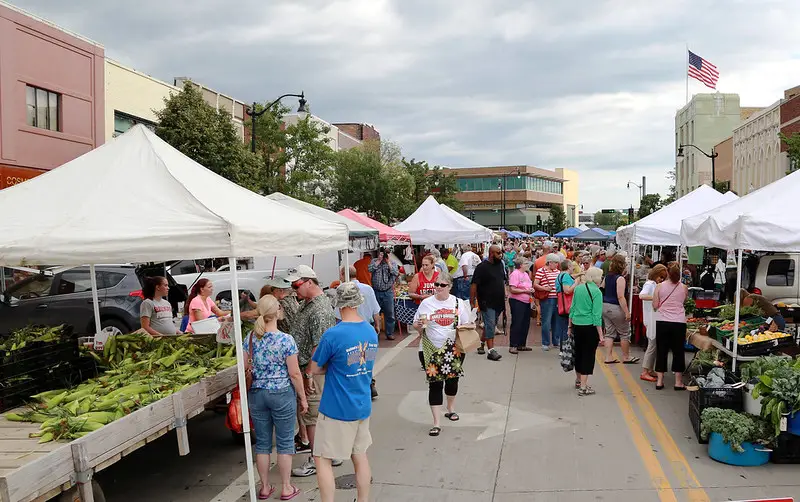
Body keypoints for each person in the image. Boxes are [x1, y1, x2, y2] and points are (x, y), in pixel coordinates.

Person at [308, 283, 378, 502]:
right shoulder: (369, 330)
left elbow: (315, 367)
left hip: (337, 406)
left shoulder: (334, 334)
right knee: (360, 455)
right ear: (358, 302)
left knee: (322, 458)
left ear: (338, 304)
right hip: (361, 403)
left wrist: (331, 367)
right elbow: (361, 360)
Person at [244, 295, 308, 501]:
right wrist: (303, 397)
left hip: (257, 392)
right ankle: (287, 487)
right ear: (278, 312)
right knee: (285, 441)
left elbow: (245, 367)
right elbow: (295, 373)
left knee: (262, 443)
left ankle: (264, 487)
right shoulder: (286, 340)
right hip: (281, 393)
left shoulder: (251, 338)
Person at [284, 265, 342, 477]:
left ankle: (317, 459)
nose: (293, 289)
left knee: (312, 415)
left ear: (309, 282)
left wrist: (308, 374)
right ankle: (327, 453)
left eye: (296, 284)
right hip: (311, 368)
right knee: (317, 414)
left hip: (313, 370)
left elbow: (319, 346)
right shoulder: (309, 303)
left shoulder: (318, 308)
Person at [412, 271, 471, 436]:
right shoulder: (426, 303)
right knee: (435, 384)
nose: (438, 288)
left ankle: (450, 408)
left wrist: (463, 327)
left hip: (454, 349)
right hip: (430, 348)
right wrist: (419, 325)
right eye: (436, 284)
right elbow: (417, 326)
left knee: (452, 381)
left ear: (450, 287)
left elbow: (468, 324)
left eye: (442, 285)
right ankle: (436, 422)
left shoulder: (458, 303)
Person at [653, 262, 689, 390]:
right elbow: (684, 302)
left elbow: (655, 305)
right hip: (679, 322)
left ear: (667, 273)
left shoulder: (659, 286)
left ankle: (660, 381)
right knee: (678, 351)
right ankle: (678, 382)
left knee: (661, 351)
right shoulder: (684, 288)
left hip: (662, 322)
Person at [568, 267, 604, 396]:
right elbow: (596, 315)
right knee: (588, 355)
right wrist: (601, 334)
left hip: (577, 324)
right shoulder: (597, 292)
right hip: (590, 326)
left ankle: (578, 380)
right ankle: (583, 386)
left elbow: (572, 308)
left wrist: (569, 326)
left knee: (578, 352)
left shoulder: (578, 288)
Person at [470, 245, 505, 361]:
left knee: (490, 324)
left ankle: (481, 343)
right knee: (490, 324)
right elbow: (474, 284)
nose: (500, 255)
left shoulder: (500, 264)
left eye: (501, 253)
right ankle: (491, 351)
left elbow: (502, 281)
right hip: (486, 301)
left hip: (498, 301)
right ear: (491, 253)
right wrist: (472, 300)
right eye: (498, 253)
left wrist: (505, 294)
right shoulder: (481, 267)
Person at [602, 254, 638, 365]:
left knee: (609, 333)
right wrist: (627, 312)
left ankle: (608, 357)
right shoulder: (620, 279)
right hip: (616, 307)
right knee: (624, 333)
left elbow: (602, 288)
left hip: (605, 306)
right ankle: (626, 356)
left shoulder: (607, 277)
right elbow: (620, 296)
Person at [639, 265, 667, 383]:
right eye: (661, 277)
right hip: (651, 318)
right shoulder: (649, 284)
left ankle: (649, 369)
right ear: (656, 274)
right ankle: (645, 371)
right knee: (652, 344)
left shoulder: (653, 284)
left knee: (654, 345)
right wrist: (656, 298)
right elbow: (642, 295)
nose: (662, 279)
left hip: (654, 317)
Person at [336, 265, 381, 333]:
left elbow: (338, 315)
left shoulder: (342, 290)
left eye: (340, 275)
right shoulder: (368, 288)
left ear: (343, 274)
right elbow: (375, 311)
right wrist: (377, 326)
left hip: (349, 329)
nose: (340, 278)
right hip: (367, 326)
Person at [369, 248, 399, 341]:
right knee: (375, 313)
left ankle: (389, 333)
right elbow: (370, 269)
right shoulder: (374, 261)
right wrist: (379, 260)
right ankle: (375, 332)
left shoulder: (392, 262)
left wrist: (388, 262)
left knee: (389, 313)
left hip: (388, 291)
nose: (384, 256)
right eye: (382, 253)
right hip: (376, 291)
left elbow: (395, 272)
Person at [534, 253, 561, 351]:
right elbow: (535, 284)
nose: (557, 265)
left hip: (557, 298)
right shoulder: (541, 271)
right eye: (555, 263)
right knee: (546, 321)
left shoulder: (558, 272)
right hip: (547, 299)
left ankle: (555, 341)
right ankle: (545, 342)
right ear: (550, 262)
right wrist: (545, 288)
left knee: (556, 321)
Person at [507, 257, 533, 354]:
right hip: (517, 301)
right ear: (521, 265)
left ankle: (521, 344)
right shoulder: (515, 274)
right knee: (517, 322)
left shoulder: (525, 274)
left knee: (525, 323)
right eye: (526, 263)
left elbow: (528, 285)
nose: (527, 265)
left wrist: (530, 290)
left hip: (526, 300)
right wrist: (525, 290)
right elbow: (512, 289)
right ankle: (513, 345)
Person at [554, 259, 576, 353]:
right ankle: (566, 348)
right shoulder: (566, 276)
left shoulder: (560, 275)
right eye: (571, 266)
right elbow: (567, 290)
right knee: (568, 327)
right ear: (568, 267)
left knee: (563, 327)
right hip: (568, 304)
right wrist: (576, 283)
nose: (573, 268)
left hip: (561, 303)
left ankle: (562, 348)